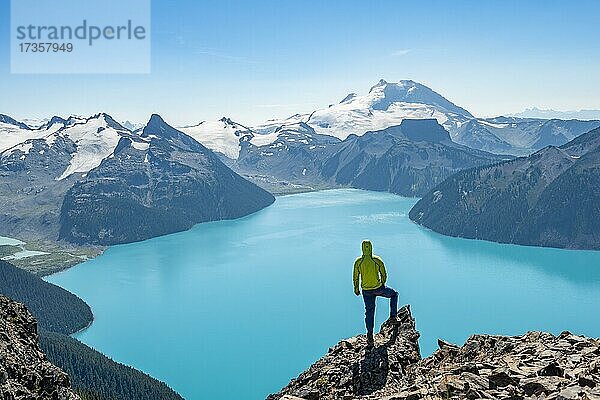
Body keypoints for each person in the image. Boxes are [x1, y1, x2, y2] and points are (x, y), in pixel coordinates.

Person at [353, 240, 398, 346]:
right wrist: (382, 283)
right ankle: (393, 317)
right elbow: (383, 272)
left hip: (366, 291)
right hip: (378, 288)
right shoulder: (376, 260)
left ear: (362, 248)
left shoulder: (358, 261)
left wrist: (356, 288)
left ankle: (369, 335)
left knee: (369, 312)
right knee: (394, 294)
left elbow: (355, 276)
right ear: (371, 247)